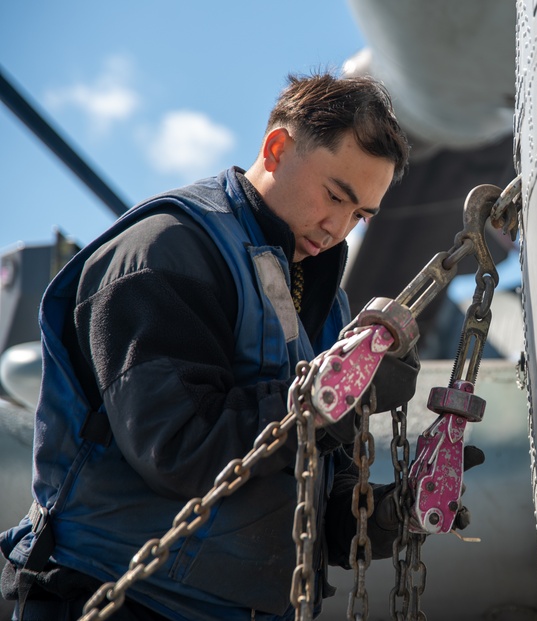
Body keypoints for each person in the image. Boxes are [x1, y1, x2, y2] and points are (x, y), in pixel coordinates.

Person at [0, 72, 426, 621]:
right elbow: (178, 446)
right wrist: (325, 404)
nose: (337, 228)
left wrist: (385, 513)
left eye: (360, 216)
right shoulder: (166, 250)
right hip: (121, 596)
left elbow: (304, 483)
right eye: (335, 196)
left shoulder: (324, 302)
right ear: (276, 149)